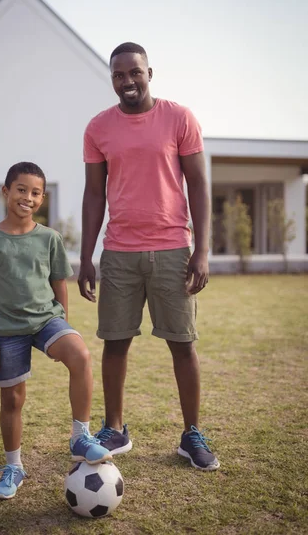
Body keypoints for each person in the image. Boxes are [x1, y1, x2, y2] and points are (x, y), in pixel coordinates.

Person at [78, 43, 220, 471]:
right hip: (119, 252)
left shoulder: (179, 118)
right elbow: (93, 193)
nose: (127, 81)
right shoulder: (98, 128)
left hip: (174, 249)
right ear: (113, 79)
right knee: (115, 343)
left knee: (183, 345)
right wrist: (86, 257)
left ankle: (192, 433)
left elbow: (198, 183)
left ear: (149, 72)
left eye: (134, 73)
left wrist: (202, 251)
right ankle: (115, 429)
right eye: (119, 75)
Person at [0, 161, 112, 500]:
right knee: (13, 398)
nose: (27, 198)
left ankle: (80, 436)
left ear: (42, 198)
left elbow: (59, 281)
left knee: (80, 354)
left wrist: (63, 321)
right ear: (6, 192)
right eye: (21, 190)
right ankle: (13, 466)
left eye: (35, 193)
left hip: (47, 320)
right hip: (7, 329)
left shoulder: (50, 238)